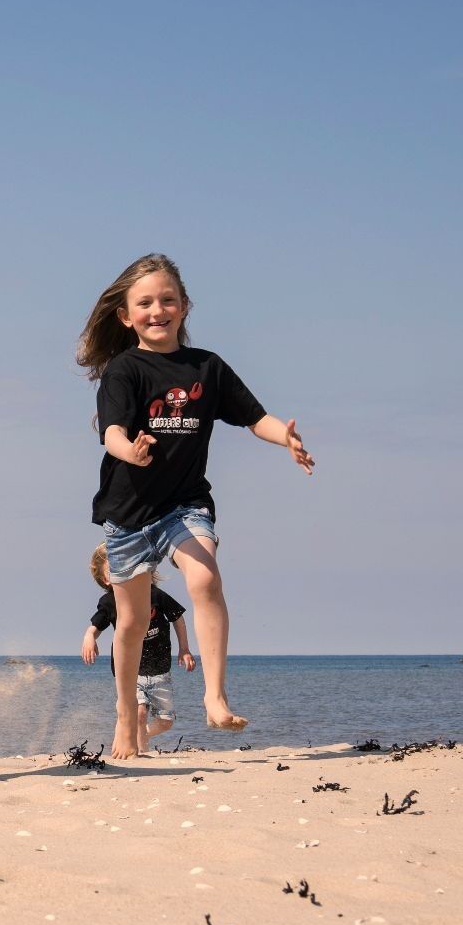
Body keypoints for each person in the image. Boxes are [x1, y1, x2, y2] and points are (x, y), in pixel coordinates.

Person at [79, 252, 314, 758]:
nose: (157, 310)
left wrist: (286, 439)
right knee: (133, 622)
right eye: (145, 303)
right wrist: (131, 451)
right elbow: (113, 433)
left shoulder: (206, 367)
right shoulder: (125, 369)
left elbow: (254, 417)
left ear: (185, 306)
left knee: (205, 577)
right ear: (126, 315)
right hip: (129, 512)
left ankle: (214, 695)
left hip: (185, 503)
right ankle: (125, 718)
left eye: (167, 300)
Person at [79, 544, 196, 739]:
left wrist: (184, 649)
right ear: (106, 579)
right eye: (114, 569)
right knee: (139, 712)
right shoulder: (110, 601)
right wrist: (89, 636)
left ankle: (141, 737)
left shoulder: (155, 595)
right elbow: (97, 624)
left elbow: (177, 618)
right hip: (129, 670)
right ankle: (137, 750)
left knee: (166, 722)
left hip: (160, 671)